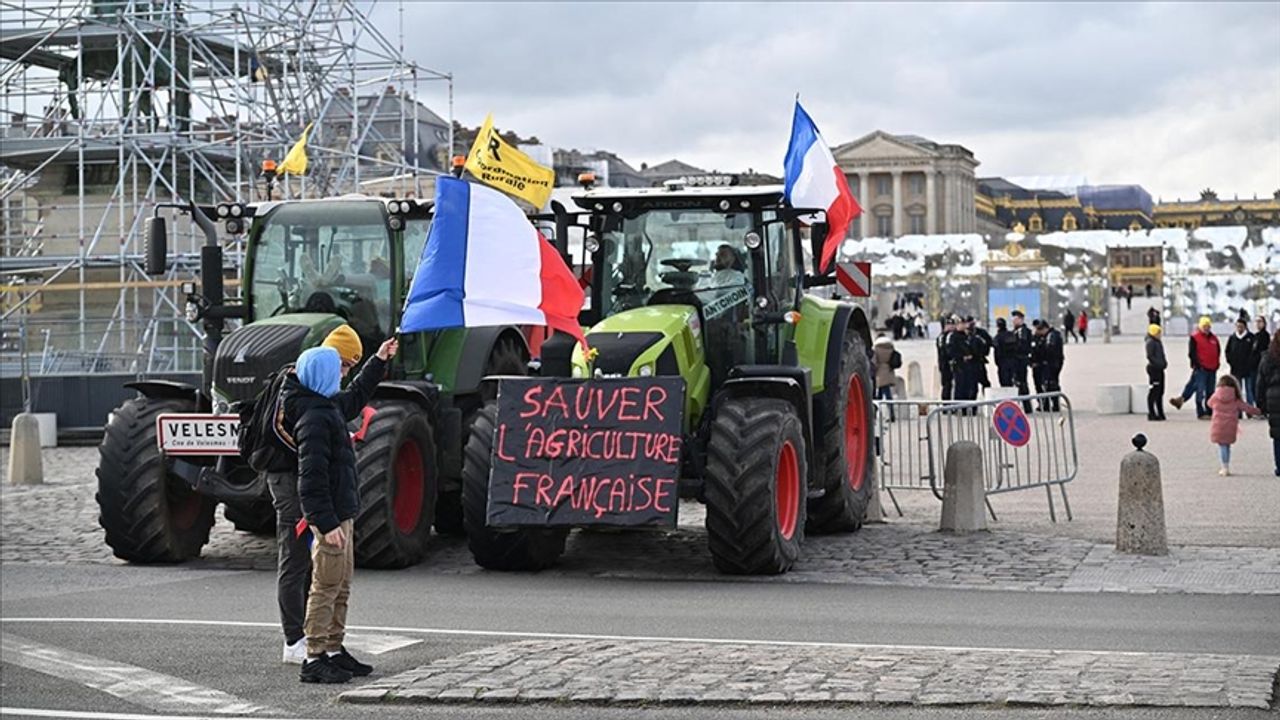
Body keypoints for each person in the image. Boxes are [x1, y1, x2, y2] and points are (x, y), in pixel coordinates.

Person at [271, 325, 392, 666]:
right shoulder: (310, 412)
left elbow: (351, 401)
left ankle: (331, 648)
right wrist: (324, 520)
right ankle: (303, 645)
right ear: (326, 366)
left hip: (328, 498)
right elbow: (311, 474)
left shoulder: (323, 402)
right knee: (303, 564)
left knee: (335, 578)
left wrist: (378, 361)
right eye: (343, 367)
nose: (344, 375)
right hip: (303, 493)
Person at [1206, 376, 1260, 476]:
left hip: (1218, 426)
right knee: (1227, 445)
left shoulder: (1215, 397)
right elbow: (1247, 408)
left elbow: (1209, 403)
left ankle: (1224, 467)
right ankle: (1226, 465)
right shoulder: (1235, 399)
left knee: (1222, 446)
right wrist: (1259, 411)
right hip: (1230, 426)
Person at [1171, 317, 1220, 419]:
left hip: (1212, 368)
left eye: (1208, 326)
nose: (1206, 328)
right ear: (1200, 326)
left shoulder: (1214, 338)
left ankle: (1183, 400)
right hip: (1201, 368)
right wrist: (1197, 364)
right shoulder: (1195, 338)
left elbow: (1218, 351)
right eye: (1204, 326)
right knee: (1199, 390)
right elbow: (1192, 353)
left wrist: (1217, 363)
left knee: (1209, 391)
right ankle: (1200, 412)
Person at [1255, 332, 1280, 476]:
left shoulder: (1267, 357)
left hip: (1272, 399)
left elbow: (1260, 383)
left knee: (1277, 435)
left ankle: (1279, 466)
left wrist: (1261, 405)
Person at [1030, 319, 1064, 411]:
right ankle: (1046, 405)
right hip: (1047, 363)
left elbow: (1050, 350)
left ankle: (1055, 404)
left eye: (1040, 330)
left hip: (1053, 363)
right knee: (1046, 384)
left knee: (1051, 383)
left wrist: (1043, 358)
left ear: (1045, 328)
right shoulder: (1043, 336)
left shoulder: (1052, 335)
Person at [1226, 319, 1256, 407]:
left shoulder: (1251, 337)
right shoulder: (1232, 338)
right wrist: (1230, 361)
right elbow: (1227, 351)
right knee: (1237, 391)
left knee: (1249, 390)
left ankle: (1249, 409)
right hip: (1236, 369)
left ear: (1245, 327)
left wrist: (1251, 363)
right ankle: (1238, 410)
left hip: (1248, 369)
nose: (1239, 328)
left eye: (1241, 326)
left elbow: (1254, 352)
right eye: (1238, 326)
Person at [1010, 310, 1033, 411]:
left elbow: (1022, 346)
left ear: (1021, 320)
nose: (1013, 321)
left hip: (1020, 360)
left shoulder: (1023, 331)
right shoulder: (1015, 331)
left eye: (1016, 319)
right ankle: (1023, 405)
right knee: (1018, 382)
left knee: (1022, 383)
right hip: (1017, 360)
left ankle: (1027, 406)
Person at [873, 336, 900, 420]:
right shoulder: (890, 347)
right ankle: (890, 414)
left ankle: (875, 414)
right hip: (889, 371)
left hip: (880, 372)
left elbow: (874, 362)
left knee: (882, 395)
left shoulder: (876, 349)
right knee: (885, 394)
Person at [1145, 324, 1167, 421]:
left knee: (1160, 392)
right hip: (1154, 369)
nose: (1160, 334)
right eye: (1158, 333)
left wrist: (1164, 363)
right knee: (1154, 391)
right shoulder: (1151, 342)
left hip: (1160, 369)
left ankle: (1160, 412)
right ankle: (1151, 413)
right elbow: (1150, 356)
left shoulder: (1158, 342)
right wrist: (1159, 364)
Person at [1247, 316, 1270, 408]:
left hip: (1260, 366)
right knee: (1253, 388)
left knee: (1259, 388)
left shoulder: (1265, 336)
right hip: (1252, 366)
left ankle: (1262, 407)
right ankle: (1258, 406)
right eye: (1256, 321)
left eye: (1260, 321)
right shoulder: (1255, 336)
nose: (1258, 323)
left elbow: (1263, 350)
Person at [966, 316, 992, 392]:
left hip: (979, 361)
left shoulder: (981, 332)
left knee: (985, 383)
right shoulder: (964, 334)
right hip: (969, 363)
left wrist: (984, 351)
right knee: (972, 386)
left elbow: (989, 342)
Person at [936, 316, 957, 400]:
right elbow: (944, 350)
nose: (951, 326)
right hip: (945, 363)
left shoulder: (954, 335)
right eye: (949, 324)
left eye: (952, 324)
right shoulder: (942, 337)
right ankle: (946, 402)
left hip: (953, 363)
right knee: (946, 384)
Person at [994, 317, 1016, 387]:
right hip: (1012, 362)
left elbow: (996, 351)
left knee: (1004, 383)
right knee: (1012, 382)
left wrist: (997, 362)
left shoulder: (997, 337)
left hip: (1002, 362)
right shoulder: (1011, 335)